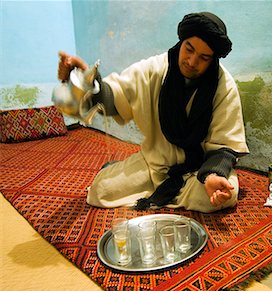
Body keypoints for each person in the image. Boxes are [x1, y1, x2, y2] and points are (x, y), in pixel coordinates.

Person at [57, 12, 249, 213]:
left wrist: (212, 176)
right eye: (189, 49)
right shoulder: (155, 69)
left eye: (204, 57)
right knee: (100, 190)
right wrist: (86, 80)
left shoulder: (223, 86)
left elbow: (226, 145)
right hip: (155, 166)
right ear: (181, 42)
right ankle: (119, 171)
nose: (192, 62)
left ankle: (173, 189)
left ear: (213, 59)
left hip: (199, 170)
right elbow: (116, 95)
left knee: (224, 196)